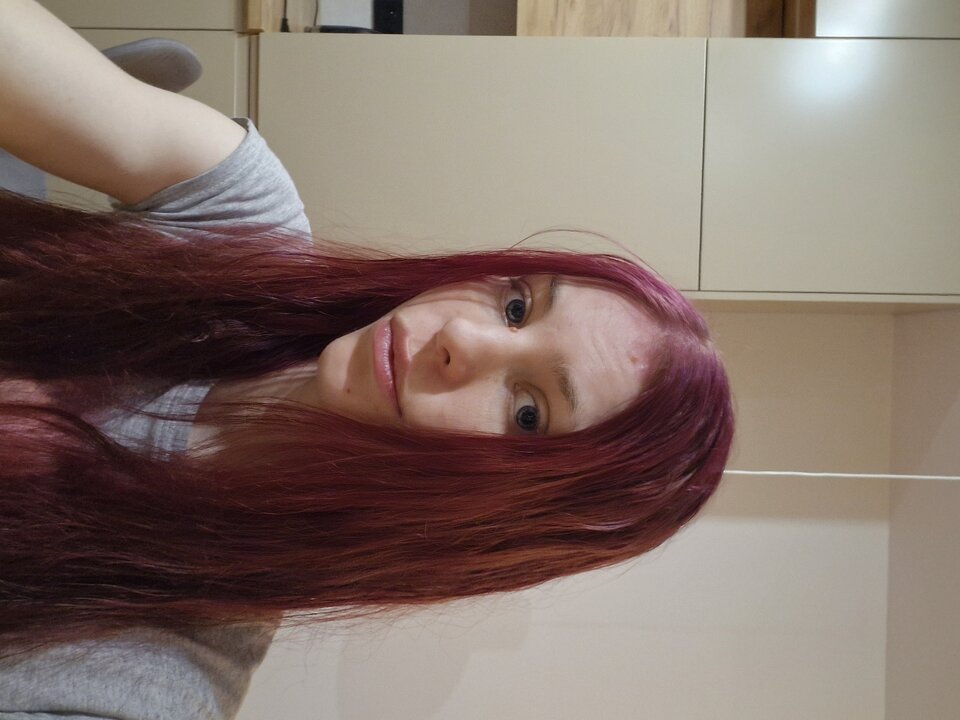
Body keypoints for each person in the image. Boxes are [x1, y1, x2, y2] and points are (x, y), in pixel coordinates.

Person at [0, 1, 734, 718]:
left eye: (527, 412)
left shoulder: (151, 667)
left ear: (506, 519)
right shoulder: (246, 228)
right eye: (516, 306)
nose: (463, 339)